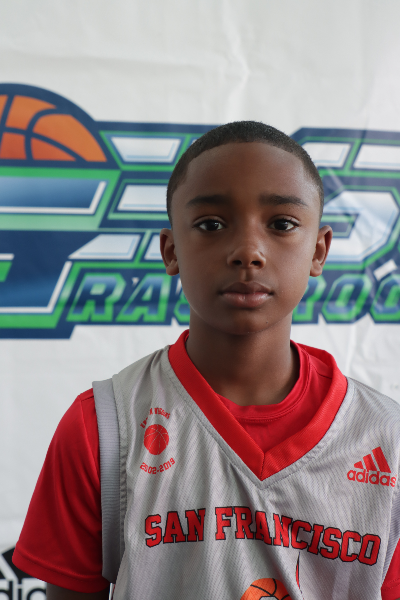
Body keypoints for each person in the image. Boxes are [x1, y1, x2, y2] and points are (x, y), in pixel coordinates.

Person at [12, 122, 400, 600]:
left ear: (318, 250)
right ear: (171, 250)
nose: (248, 252)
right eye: (212, 224)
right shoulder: (104, 428)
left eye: (281, 224)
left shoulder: (387, 439)